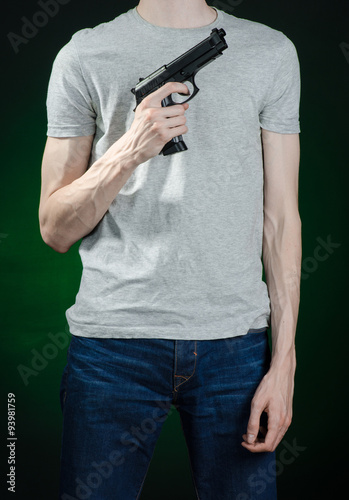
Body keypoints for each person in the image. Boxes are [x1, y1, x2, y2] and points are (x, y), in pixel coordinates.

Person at [39, 0, 302, 498]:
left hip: (237, 344)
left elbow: (282, 221)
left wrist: (284, 363)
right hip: (113, 346)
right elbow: (54, 230)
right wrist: (130, 147)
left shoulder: (270, 52)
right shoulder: (85, 54)